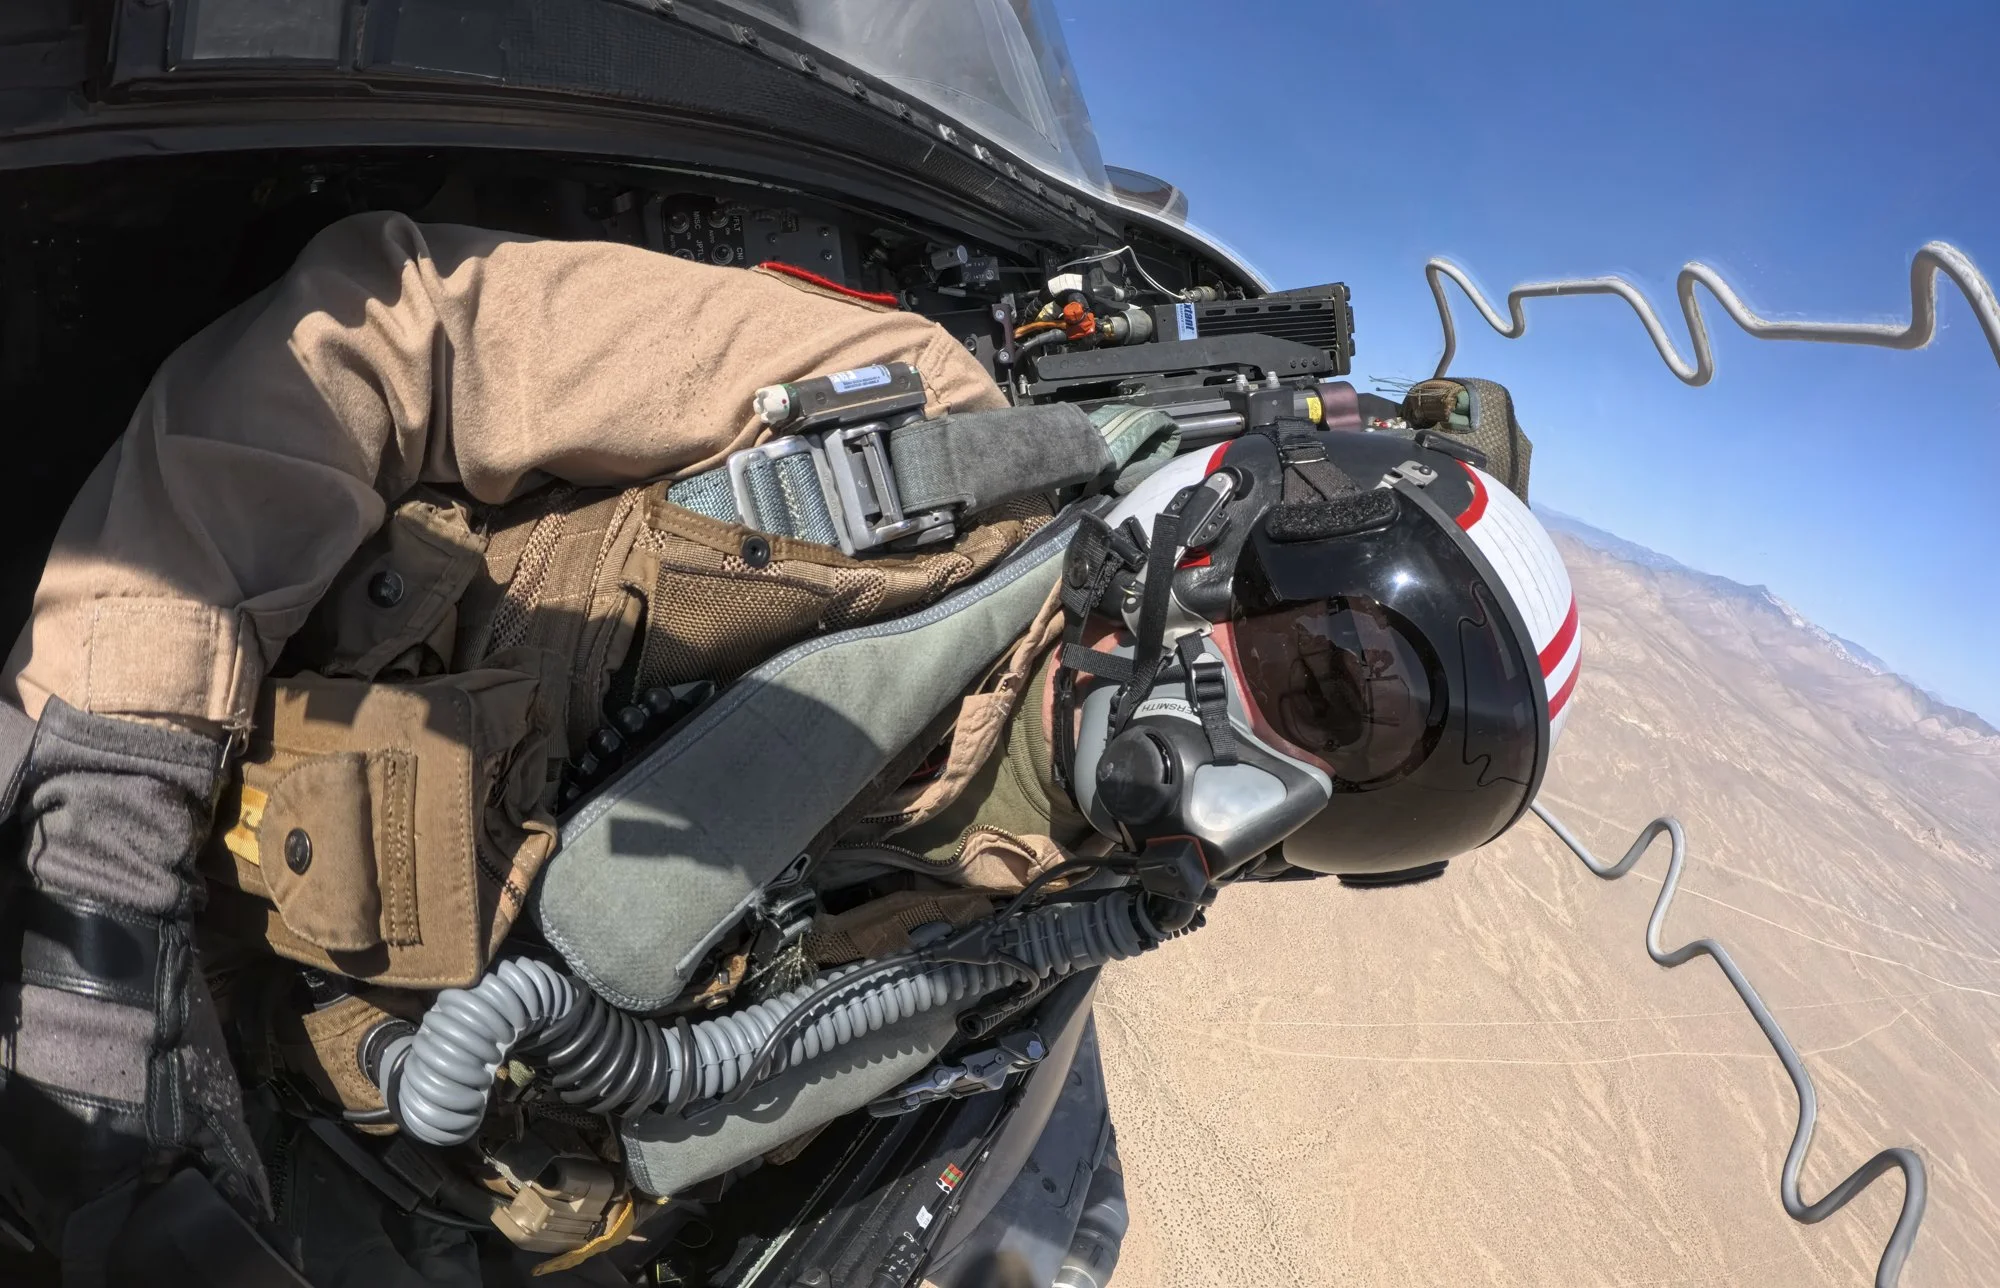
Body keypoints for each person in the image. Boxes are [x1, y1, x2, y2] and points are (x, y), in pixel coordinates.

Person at [0, 210, 1574, 1281]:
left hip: (353, 1176)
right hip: (119, 881)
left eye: (1356, 803)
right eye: (1326, 688)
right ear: (1220, 533)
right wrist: (113, 803)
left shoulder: (1067, 906)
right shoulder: (910, 442)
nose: (1265, 794)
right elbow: (391, 335)